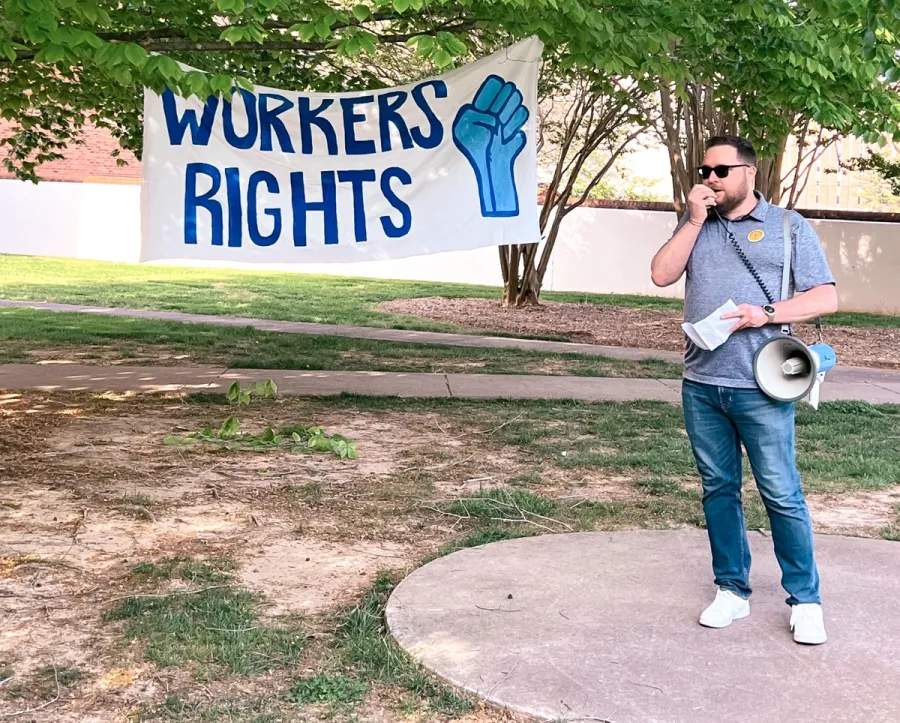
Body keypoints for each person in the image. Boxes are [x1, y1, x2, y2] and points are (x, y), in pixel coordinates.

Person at [650, 135, 838, 645]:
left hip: (761, 384)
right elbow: (661, 275)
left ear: (749, 173)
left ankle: (806, 600)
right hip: (701, 384)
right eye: (704, 170)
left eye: (721, 170)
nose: (710, 178)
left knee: (781, 492)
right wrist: (691, 220)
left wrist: (766, 314)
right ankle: (732, 590)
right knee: (718, 490)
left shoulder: (787, 226)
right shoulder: (697, 225)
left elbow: (826, 296)